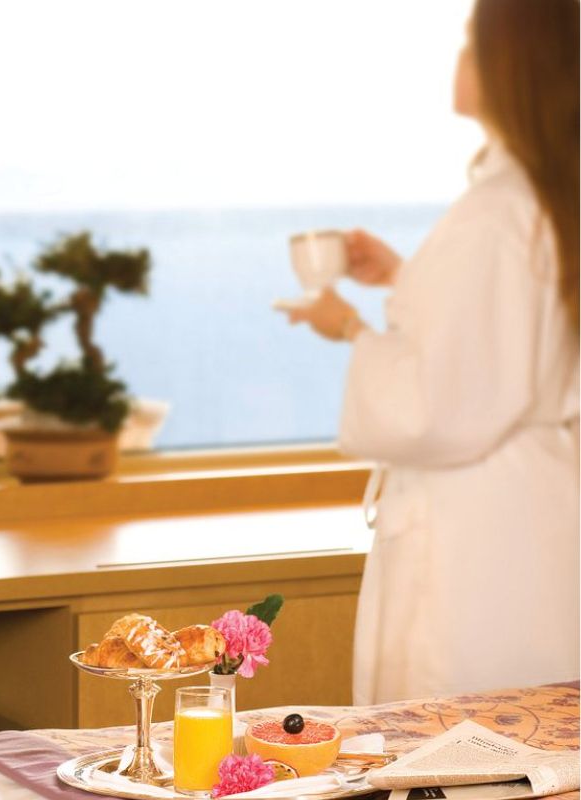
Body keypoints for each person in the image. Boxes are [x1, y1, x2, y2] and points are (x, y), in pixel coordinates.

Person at [281, 0, 579, 704]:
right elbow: (503, 347)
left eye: (471, 46)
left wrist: (350, 327)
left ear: (510, 68)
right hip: (531, 506)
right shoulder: (542, 198)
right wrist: (405, 278)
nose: (458, 61)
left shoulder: (494, 214)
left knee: (463, 736)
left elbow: (435, 410)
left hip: (476, 525)